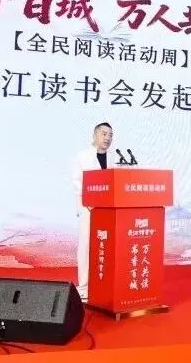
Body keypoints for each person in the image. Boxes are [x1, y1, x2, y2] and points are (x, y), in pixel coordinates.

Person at [71, 122, 113, 300]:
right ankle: (83, 287)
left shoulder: (114, 158)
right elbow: (77, 183)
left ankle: (104, 285)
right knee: (86, 246)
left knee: (106, 246)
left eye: (110, 135)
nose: (107, 138)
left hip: (108, 210)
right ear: (94, 135)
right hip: (88, 209)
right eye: (104, 134)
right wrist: (88, 203)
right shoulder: (82, 157)